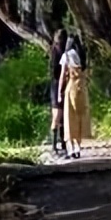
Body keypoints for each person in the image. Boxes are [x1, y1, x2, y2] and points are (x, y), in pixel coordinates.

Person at [59, 35, 90, 159]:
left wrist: (59, 92)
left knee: (69, 117)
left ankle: (71, 148)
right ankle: (78, 146)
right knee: (80, 116)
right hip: (82, 89)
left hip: (71, 88)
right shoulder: (81, 56)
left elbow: (62, 76)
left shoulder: (66, 56)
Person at [49, 29, 67, 157]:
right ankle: (54, 144)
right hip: (57, 85)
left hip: (60, 84)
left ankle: (62, 142)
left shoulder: (60, 52)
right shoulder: (56, 53)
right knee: (58, 114)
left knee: (63, 114)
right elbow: (55, 72)